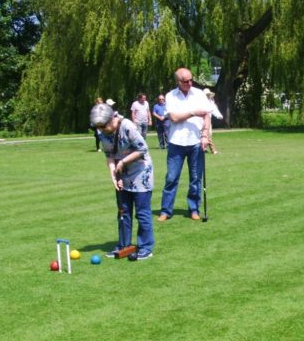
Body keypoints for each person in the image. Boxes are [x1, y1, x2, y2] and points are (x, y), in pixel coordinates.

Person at [90, 102, 154, 260]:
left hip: (140, 172)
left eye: (104, 126)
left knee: (142, 212)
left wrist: (123, 162)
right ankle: (123, 245)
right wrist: (114, 176)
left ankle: (145, 247)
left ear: (112, 119)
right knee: (123, 211)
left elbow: (142, 149)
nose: (102, 130)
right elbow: (109, 155)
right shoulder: (102, 132)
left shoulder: (127, 126)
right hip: (121, 172)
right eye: (99, 127)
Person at [158, 68, 212, 221]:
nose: (189, 83)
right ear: (178, 81)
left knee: (195, 178)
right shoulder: (170, 96)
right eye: (185, 81)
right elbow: (174, 118)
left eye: (191, 80)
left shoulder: (200, 94)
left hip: (196, 141)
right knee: (171, 178)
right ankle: (165, 211)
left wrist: (205, 135)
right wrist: (193, 112)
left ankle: (194, 209)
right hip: (176, 142)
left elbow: (206, 115)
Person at [203, 89, 222, 154]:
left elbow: (214, 110)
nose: (208, 96)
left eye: (208, 95)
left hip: (208, 120)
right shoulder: (201, 102)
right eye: (207, 95)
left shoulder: (211, 102)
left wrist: (219, 115)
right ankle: (213, 150)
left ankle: (204, 149)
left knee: (209, 134)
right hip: (201, 120)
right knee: (207, 135)